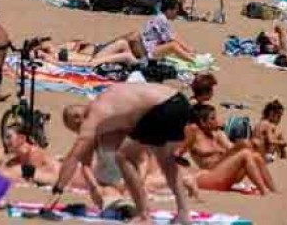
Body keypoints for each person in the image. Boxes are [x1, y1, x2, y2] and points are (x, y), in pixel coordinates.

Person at [54, 83, 192, 224]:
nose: (79, 121)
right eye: (75, 124)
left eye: (77, 116)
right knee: (166, 159)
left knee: (123, 156)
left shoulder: (94, 115)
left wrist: (58, 189)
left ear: (83, 108)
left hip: (162, 108)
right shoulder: (110, 106)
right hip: (181, 102)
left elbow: (74, 156)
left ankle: (144, 215)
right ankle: (184, 213)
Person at [176, 104, 276, 195]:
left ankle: (273, 190)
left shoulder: (217, 134)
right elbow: (178, 152)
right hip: (211, 174)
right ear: (202, 121)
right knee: (245, 150)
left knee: (255, 155)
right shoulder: (194, 133)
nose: (217, 120)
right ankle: (263, 191)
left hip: (226, 172)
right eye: (213, 118)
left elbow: (231, 148)